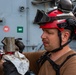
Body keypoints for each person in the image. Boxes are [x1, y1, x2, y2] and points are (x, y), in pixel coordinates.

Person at [1, 0, 76, 75]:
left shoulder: (72, 64)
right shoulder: (45, 56)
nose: (42, 36)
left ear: (65, 36)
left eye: (49, 33)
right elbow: (10, 60)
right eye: (43, 31)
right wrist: (16, 53)